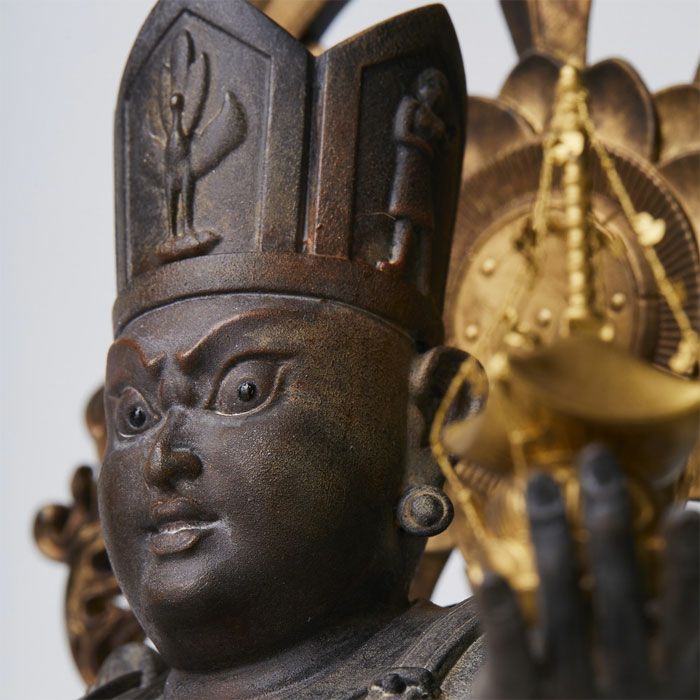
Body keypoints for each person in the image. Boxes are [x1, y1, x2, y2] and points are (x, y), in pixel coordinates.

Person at [84, 1, 699, 698]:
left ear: (430, 422)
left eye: (242, 390)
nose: (163, 459)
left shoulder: (503, 673)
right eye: (135, 415)